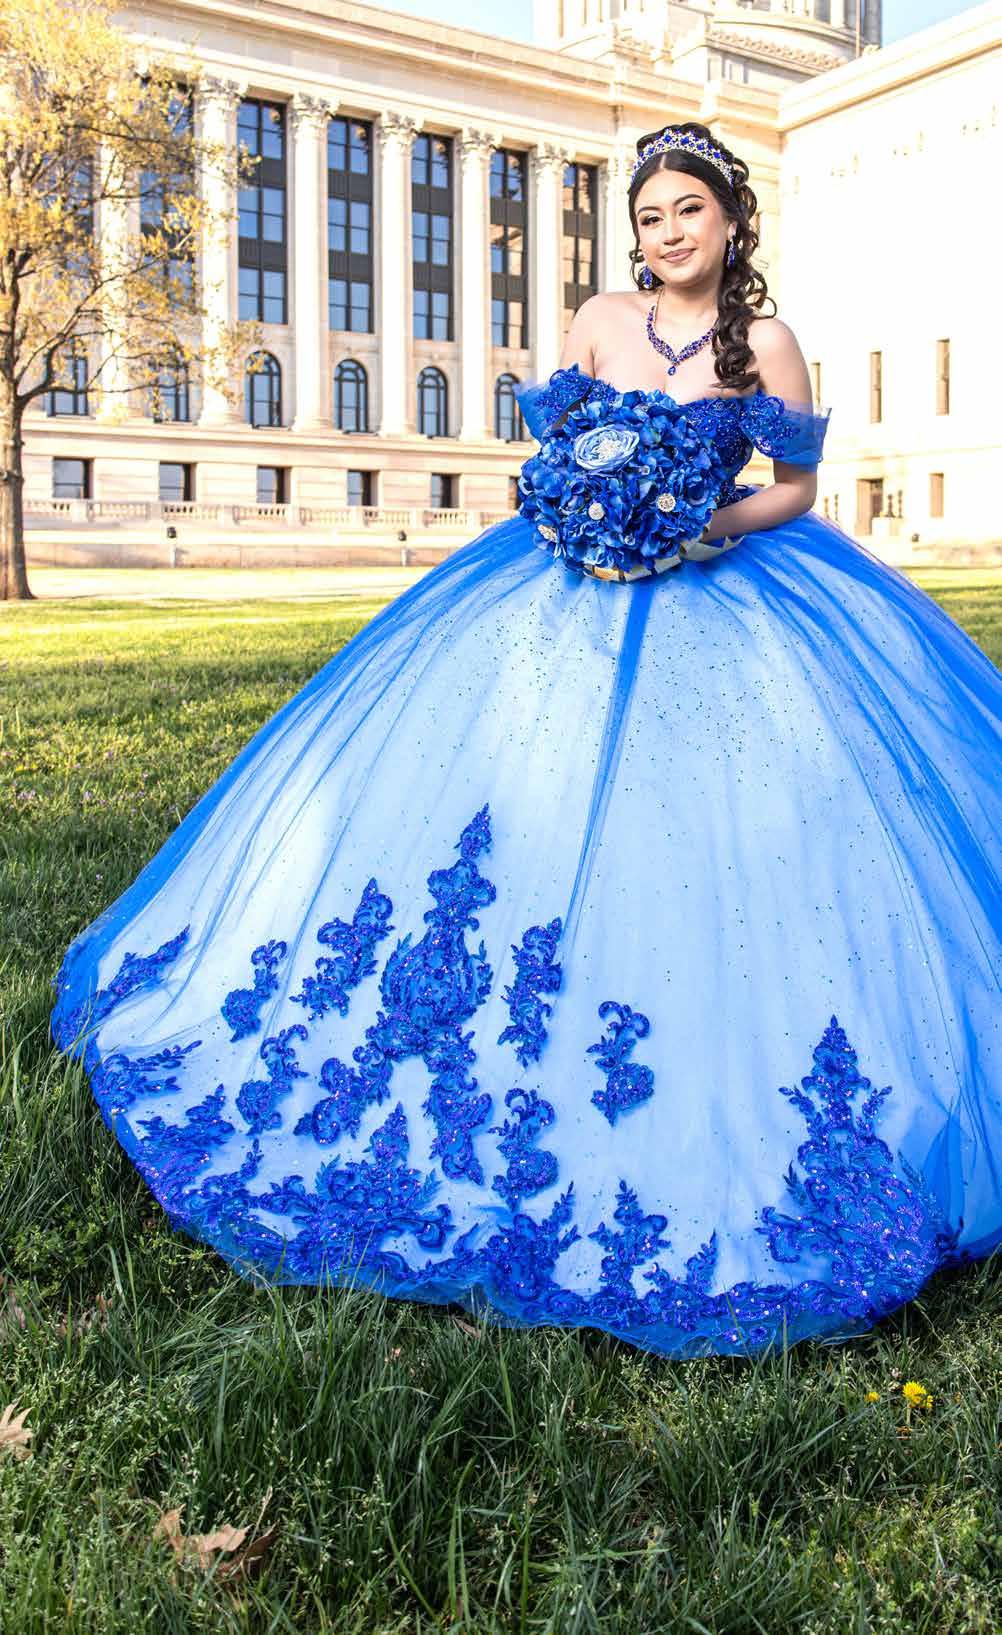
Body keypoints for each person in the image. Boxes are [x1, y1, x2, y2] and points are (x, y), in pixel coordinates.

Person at [50, 121, 1002, 1360]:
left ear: (732, 222)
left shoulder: (766, 342)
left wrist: (706, 524)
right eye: (650, 216)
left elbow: (794, 487)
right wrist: (586, 515)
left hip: (732, 591)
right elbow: (550, 464)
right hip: (567, 593)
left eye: (689, 211)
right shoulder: (598, 322)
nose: (669, 233)